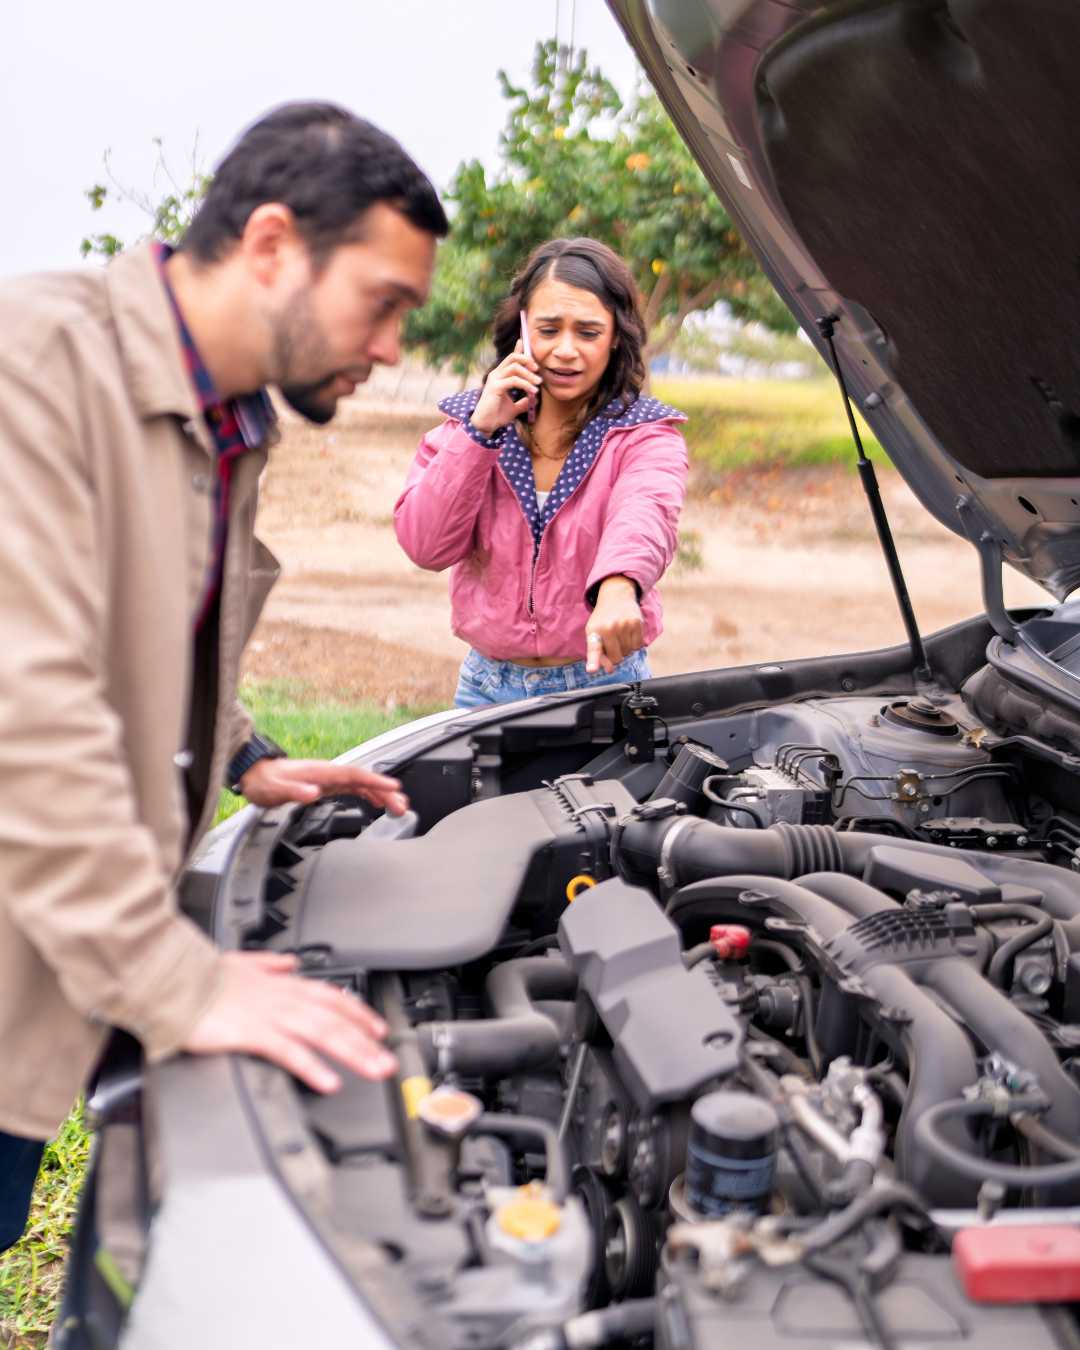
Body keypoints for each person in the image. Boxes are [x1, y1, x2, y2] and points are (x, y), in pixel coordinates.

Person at [0, 101, 448, 1253]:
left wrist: (243, 752)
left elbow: (147, 616)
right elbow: (26, 716)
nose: (394, 348)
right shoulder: (33, 371)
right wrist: (178, 983)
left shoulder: (225, 416)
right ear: (270, 246)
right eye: (384, 303)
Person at [394, 237, 688, 707]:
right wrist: (480, 432)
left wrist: (618, 589)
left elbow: (644, 514)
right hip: (484, 689)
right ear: (523, 330)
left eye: (588, 333)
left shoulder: (645, 434)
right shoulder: (466, 425)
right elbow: (426, 545)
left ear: (616, 336)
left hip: (604, 686)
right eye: (549, 330)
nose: (566, 350)